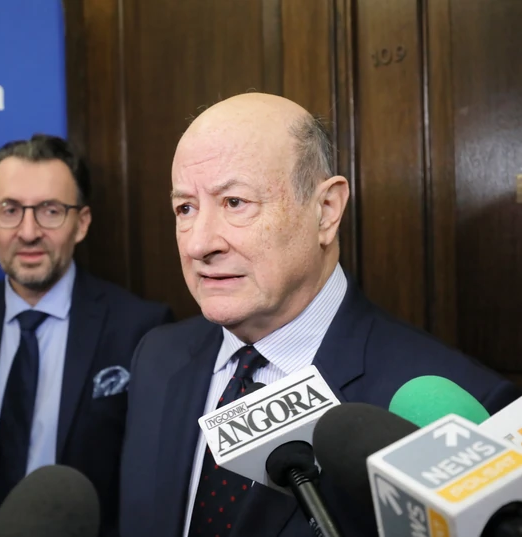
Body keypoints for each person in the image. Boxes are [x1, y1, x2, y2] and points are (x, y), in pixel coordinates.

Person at [118, 93, 522, 537]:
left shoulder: (456, 412)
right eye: (185, 208)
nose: (199, 244)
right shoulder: (157, 356)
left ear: (326, 210)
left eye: (234, 202)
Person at [0, 134, 173, 537]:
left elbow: (151, 481)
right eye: (10, 210)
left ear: (81, 223)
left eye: (51, 210)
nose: (29, 232)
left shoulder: (141, 328)